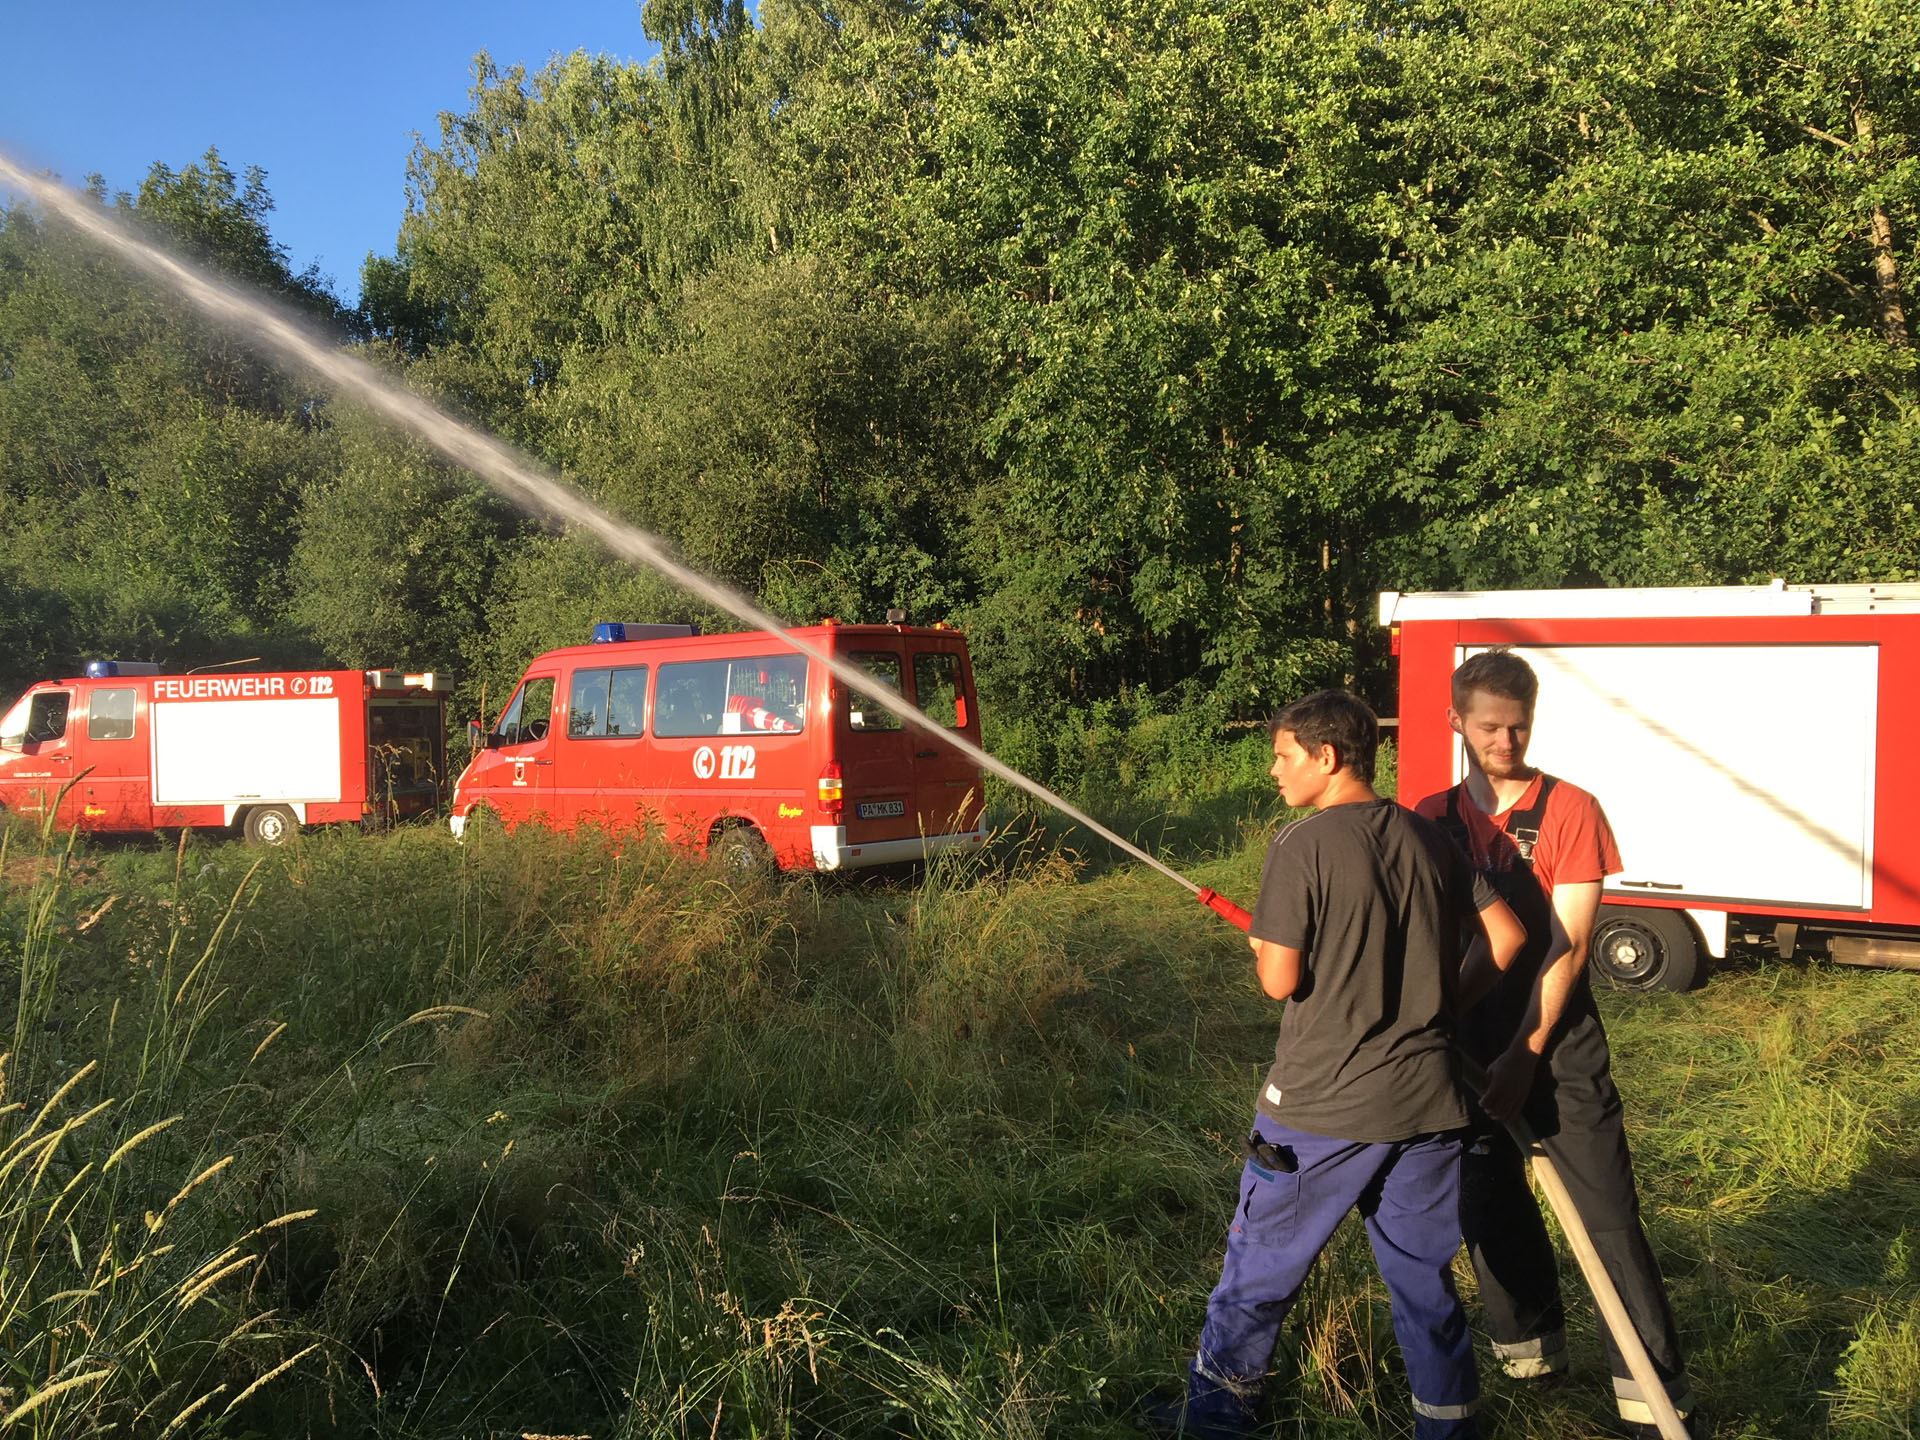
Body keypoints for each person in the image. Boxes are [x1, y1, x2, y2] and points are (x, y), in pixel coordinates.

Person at [1155, 690, 1525, 1440]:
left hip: (1319, 1107)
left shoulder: (1302, 845)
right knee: (1424, 1285)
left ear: (1326, 757)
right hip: (1428, 1106)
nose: (1273, 770)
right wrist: (1443, 1005)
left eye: (1283, 755)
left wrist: (1265, 947)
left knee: (1258, 1273)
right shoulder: (1429, 836)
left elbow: (1279, 981)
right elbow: (1508, 936)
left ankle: (1216, 1420)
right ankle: (1449, 1429)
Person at [1415, 650, 1698, 1438]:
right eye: (1489, 727)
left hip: (1558, 1041)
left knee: (1607, 1214)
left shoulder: (1572, 809)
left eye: (1519, 727)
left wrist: (1525, 1052)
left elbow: (1568, 946)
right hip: (1467, 1042)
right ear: (1456, 722)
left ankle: (1653, 1400)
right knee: (1488, 1202)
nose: (1505, 741)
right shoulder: (1430, 818)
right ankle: (1533, 1360)